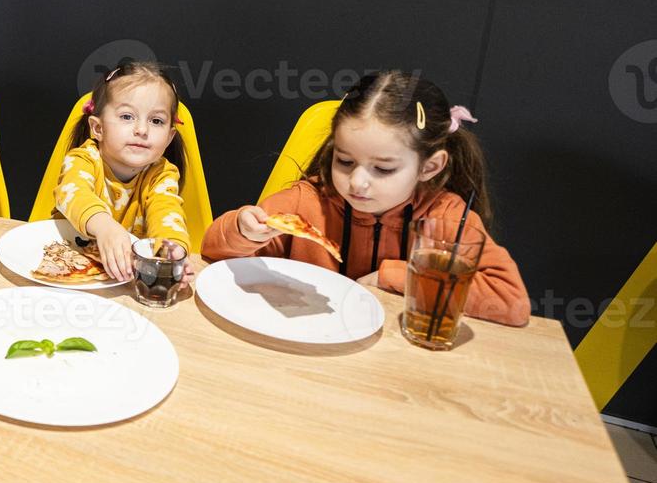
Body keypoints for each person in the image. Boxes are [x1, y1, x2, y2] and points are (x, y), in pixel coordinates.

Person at [202, 70, 530, 326]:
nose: (358, 182)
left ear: (429, 167)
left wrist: (397, 278)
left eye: (383, 169)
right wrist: (243, 230)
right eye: (345, 162)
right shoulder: (306, 203)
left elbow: (511, 302)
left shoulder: (446, 217)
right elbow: (214, 252)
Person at [54, 60, 194, 284]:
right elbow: (73, 192)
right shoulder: (83, 159)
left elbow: (166, 211)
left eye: (156, 120)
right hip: (68, 268)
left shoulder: (162, 174)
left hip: (123, 280)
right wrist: (105, 227)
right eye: (127, 117)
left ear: (169, 137)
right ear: (98, 128)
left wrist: (172, 249)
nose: (142, 130)